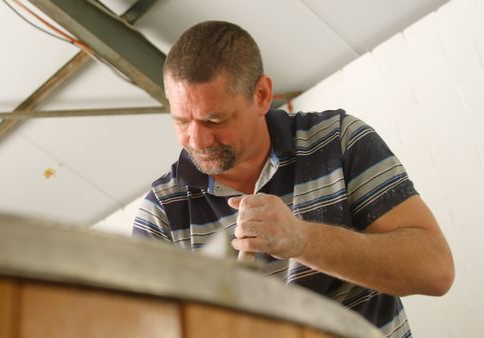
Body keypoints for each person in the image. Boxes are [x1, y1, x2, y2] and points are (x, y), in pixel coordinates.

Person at [132, 20, 454, 337]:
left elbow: (435, 270)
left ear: (261, 95)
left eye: (215, 119)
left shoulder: (338, 141)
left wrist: (302, 240)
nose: (197, 141)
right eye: (182, 121)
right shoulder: (161, 213)